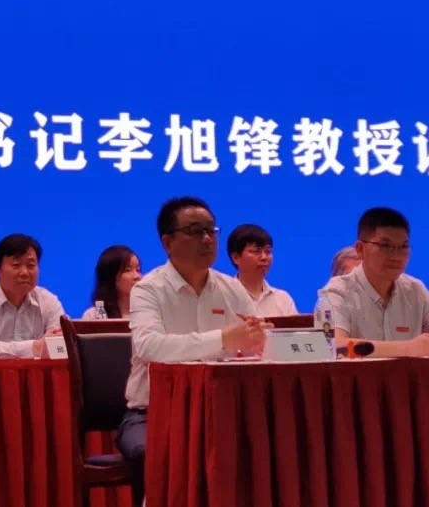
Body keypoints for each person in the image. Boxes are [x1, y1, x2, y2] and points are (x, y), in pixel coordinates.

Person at [118, 197, 269, 505]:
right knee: (160, 450)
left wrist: (258, 337)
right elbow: (150, 346)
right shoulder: (148, 290)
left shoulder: (231, 288)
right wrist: (223, 339)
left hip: (222, 411)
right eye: (195, 231)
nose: (207, 239)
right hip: (151, 413)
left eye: (211, 230)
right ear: (167, 242)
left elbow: (258, 340)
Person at [320, 207, 429, 358]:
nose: (396, 257)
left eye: (403, 247)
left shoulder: (415, 289)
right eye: (386, 246)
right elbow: (333, 346)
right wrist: (407, 348)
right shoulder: (335, 293)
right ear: (360, 249)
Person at [0, 233, 64, 359]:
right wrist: (36, 347)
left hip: (37, 372)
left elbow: (59, 345)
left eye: (31, 265)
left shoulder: (49, 301)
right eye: (16, 265)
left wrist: (49, 344)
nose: (24, 272)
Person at [227, 224, 298, 318]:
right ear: (236, 257)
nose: (264, 257)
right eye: (256, 251)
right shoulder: (224, 296)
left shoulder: (283, 299)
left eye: (268, 251)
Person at [81, 245, 142, 319]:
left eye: (138, 270)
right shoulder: (93, 316)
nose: (137, 276)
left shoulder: (149, 312)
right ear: (110, 276)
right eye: (128, 270)